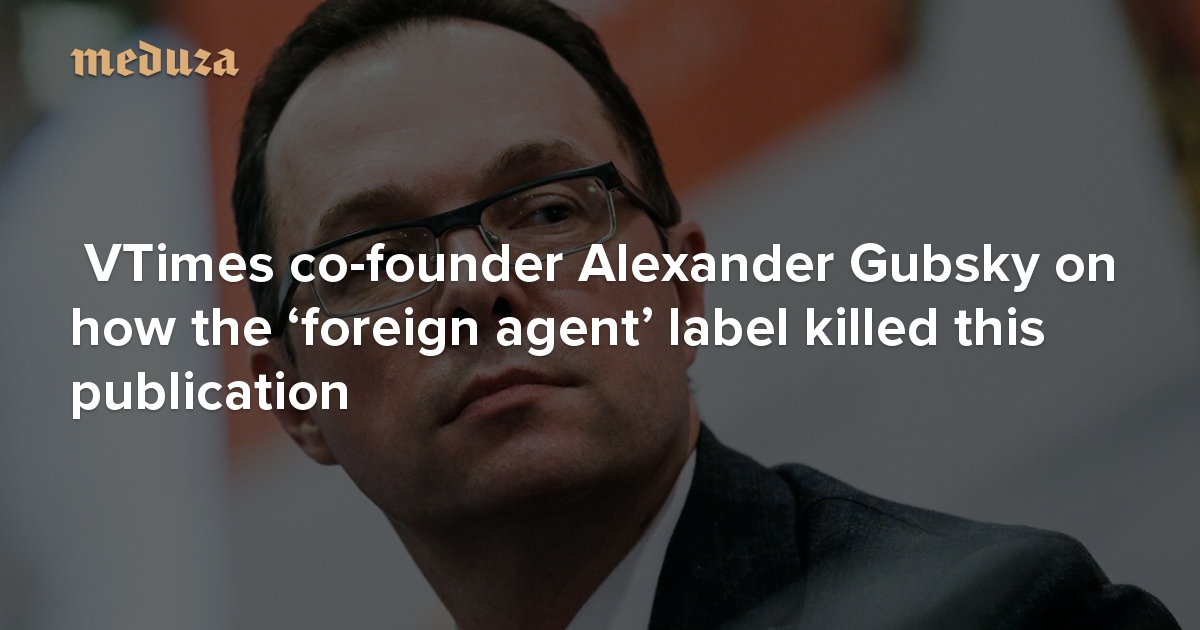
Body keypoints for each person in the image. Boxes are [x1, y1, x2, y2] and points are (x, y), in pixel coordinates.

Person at [232, 1, 1180, 628]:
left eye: (550, 211)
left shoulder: (1004, 617)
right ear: (296, 400)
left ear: (682, 289)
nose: (478, 289)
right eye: (380, 258)